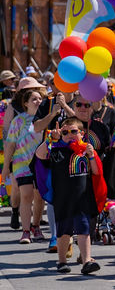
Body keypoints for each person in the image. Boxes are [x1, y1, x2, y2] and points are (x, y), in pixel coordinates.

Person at [33, 117, 102, 275]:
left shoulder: (86, 149)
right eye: (65, 132)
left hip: (83, 197)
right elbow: (39, 155)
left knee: (84, 230)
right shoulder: (56, 148)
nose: (69, 134)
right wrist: (51, 138)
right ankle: (62, 261)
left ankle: (87, 261)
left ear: (82, 133)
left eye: (73, 131)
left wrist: (92, 156)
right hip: (63, 198)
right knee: (64, 232)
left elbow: (97, 172)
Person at [4, 80, 66, 243]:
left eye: (40, 98)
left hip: (40, 163)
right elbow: (10, 144)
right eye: (34, 99)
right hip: (21, 163)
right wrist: (5, 168)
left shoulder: (47, 120)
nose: (39, 101)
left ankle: (36, 226)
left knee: (39, 197)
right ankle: (26, 232)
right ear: (25, 103)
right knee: (26, 195)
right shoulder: (18, 121)